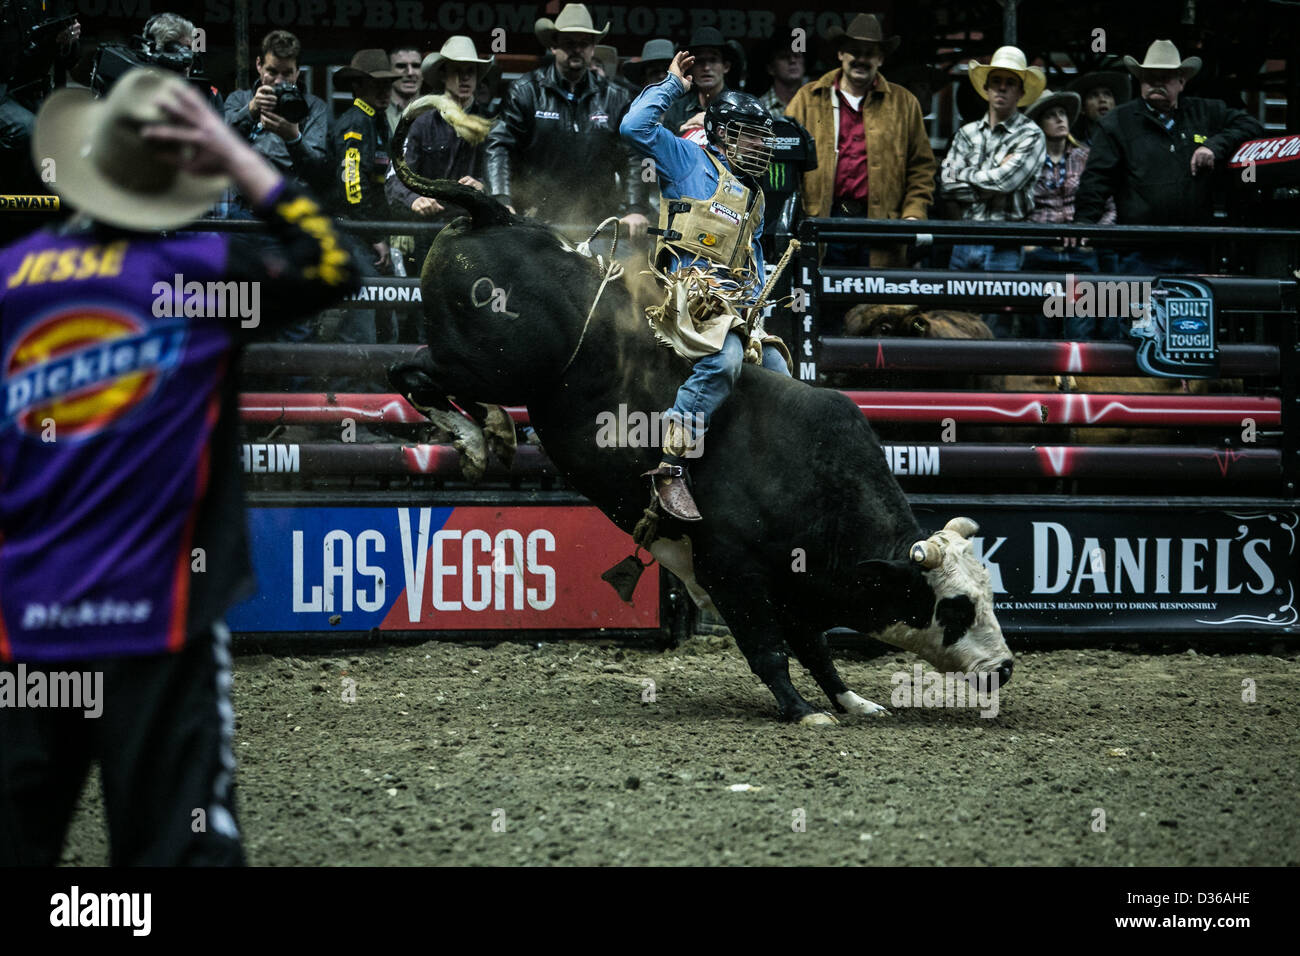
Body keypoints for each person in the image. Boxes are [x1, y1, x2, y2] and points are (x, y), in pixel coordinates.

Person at [0, 68, 359, 866]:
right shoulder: (197, 280)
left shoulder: (9, 282)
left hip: (23, 625)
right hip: (156, 621)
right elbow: (336, 262)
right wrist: (240, 155)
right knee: (175, 849)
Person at [621, 51, 791, 521]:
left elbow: (753, 261)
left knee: (779, 368)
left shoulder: (752, 193)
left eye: (762, 136)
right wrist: (673, 84)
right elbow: (633, 127)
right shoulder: (686, 158)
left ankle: (772, 468)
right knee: (725, 358)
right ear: (722, 132)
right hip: (684, 294)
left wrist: (756, 311)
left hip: (733, 306)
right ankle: (670, 466)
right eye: (749, 134)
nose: (759, 144)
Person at [1075, 39, 1264, 275]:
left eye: (1164, 77)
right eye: (1149, 77)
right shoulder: (1117, 122)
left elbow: (1251, 125)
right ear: (1140, 81)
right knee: (1139, 311)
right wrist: (1083, 224)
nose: (1156, 83)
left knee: (1191, 310)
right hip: (1139, 251)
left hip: (1196, 249)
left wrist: (1214, 146)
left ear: (1182, 81)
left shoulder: (1205, 111)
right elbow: (1096, 180)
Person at [784, 13, 936, 270]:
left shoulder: (904, 103)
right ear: (841, 53)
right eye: (855, 51)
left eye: (870, 53)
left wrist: (913, 214)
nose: (861, 59)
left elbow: (921, 167)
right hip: (822, 221)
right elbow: (785, 163)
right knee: (823, 300)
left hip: (882, 224)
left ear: (881, 58)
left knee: (875, 304)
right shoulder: (808, 98)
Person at [485, 3, 649, 232]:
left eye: (584, 43)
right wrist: (501, 200)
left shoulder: (616, 98)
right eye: (569, 43)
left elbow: (636, 155)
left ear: (593, 48)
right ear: (554, 46)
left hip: (597, 223)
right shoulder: (525, 91)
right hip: (534, 220)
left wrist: (636, 208)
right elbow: (499, 146)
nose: (577, 49)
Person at [939, 45, 1047, 337]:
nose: (1002, 88)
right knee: (956, 320)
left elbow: (1007, 182)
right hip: (965, 238)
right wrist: (993, 176)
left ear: (1020, 92)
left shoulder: (1032, 134)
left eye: (1010, 83)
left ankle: (994, 382)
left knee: (997, 324)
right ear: (985, 88)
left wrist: (967, 177)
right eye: (996, 81)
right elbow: (946, 186)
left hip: (1005, 240)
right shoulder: (966, 133)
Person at [386, 36, 492, 279]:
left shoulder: (493, 123)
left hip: (477, 233)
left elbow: (510, 176)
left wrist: (484, 186)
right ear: (444, 75)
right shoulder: (420, 123)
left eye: (470, 72)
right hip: (430, 232)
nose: (464, 78)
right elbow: (394, 177)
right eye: (457, 71)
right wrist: (413, 198)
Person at [1021, 89, 1117, 339]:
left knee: (1080, 329)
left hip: (1080, 254)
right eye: (1051, 115)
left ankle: (1075, 379)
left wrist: (1091, 237)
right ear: (1040, 124)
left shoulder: (1085, 156)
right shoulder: (1026, 160)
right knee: (1042, 331)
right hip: (1041, 253)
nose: (1060, 119)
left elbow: (1110, 206)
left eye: (1062, 113)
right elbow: (1016, 205)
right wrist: (1028, 241)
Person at [224, 30, 331, 208]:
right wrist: (251, 110)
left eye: (287, 73)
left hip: (293, 208)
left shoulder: (313, 108)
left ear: (297, 72)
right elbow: (219, 146)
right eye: (272, 72)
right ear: (259, 65)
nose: (279, 81)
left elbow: (319, 171)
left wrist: (294, 138)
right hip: (246, 207)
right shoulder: (239, 101)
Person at [661, 27, 745, 136]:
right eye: (699, 61)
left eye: (713, 60)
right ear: (690, 67)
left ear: (726, 67)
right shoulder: (677, 110)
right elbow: (665, 149)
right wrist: (684, 132)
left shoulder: (742, 106)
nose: (706, 67)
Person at [1067, 69, 1130, 146]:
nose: (1102, 100)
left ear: (1115, 105)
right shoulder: (1073, 148)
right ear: (1082, 108)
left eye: (1107, 94)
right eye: (1094, 95)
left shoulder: (1130, 143)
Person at [759, 35, 806, 117]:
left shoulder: (816, 104)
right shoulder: (760, 109)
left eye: (797, 55)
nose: (792, 60)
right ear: (771, 69)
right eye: (784, 56)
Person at [386, 46, 423, 136]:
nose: (410, 72)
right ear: (388, 72)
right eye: (401, 66)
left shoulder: (436, 111)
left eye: (416, 66)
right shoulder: (378, 112)